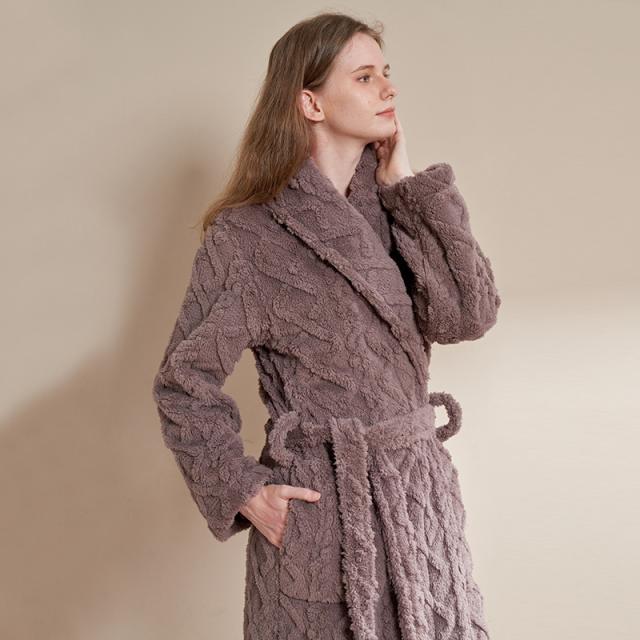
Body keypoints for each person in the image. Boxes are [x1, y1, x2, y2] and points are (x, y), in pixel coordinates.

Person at [152, 11, 500, 640]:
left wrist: (410, 188)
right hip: (326, 515)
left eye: (385, 73)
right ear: (310, 102)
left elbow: (468, 316)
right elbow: (183, 384)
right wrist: (244, 491)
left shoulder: (399, 209)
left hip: (417, 502)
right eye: (364, 77)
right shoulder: (248, 237)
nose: (389, 88)